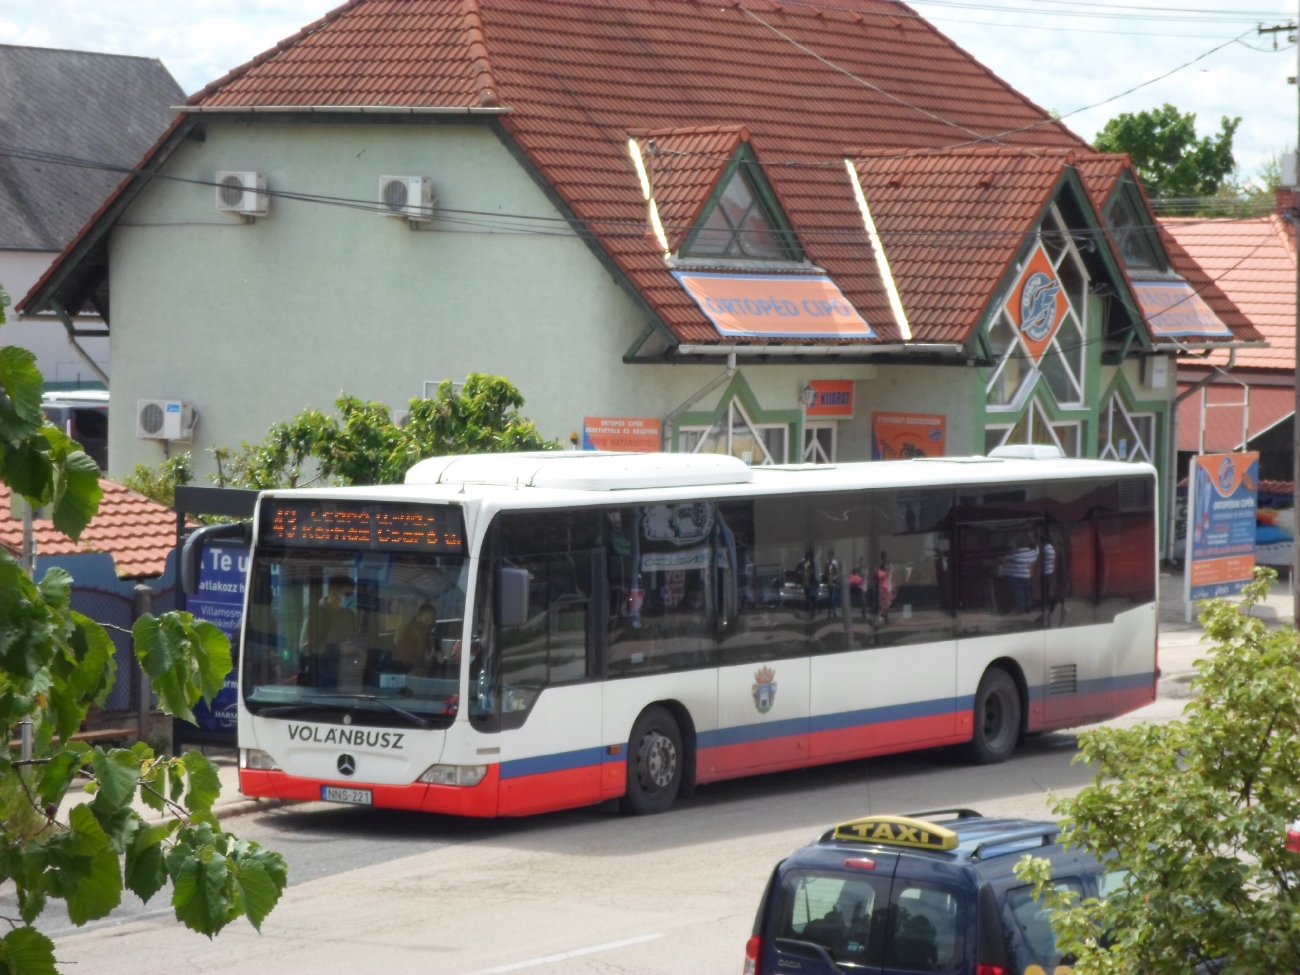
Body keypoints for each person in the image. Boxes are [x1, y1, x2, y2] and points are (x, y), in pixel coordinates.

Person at [300, 575, 356, 686]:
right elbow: (305, 648)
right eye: (347, 594)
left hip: (347, 677)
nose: (350, 598)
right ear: (333, 592)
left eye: (352, 594)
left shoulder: (349, 615)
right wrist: (336, 649)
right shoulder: (317, 614)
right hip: (322, 679)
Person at [999, 535, 1038, 614]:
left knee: (1018, 591)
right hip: (1026, 576)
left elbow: (1004, 560)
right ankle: (1028, 607)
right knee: (1026, 591)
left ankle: (1021, 608)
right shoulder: (1031, 553)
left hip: (1016, 576)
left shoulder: (1015, 555)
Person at [395, 602, 437, 670]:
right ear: (419, 616)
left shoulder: (427, 635)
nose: (430, 624)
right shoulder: (406, 631)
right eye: (427, 620)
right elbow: (405, 659)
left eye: (432, 621)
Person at [797, 549, 819, 619]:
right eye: (808, 556)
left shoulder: (813, 563)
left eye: (809, 556)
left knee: (810, 597)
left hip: (810, 583)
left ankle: (811, 610)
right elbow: (799, 570)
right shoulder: (803, 563)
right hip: (805, 583)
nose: (808, 558)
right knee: (808, 598)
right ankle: (811, 610)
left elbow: (814, 573)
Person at [876, 552, 896, 624]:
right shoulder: (882, 566)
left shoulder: (888, 565)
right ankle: (885, 617)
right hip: (884, 586)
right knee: (885, 602)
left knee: (887, 602)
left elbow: (891, 572)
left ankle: (884, 616)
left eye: (885, 557)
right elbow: (879, 575)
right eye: (884, 557)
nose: (885, 558)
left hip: (888, 585)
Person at [826, 549, 842, 618]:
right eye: (829, 556)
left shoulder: (835, 564)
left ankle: (834, 611)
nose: (830, 558)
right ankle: (830, 611)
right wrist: (827, 577)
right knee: (830, 598)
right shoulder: (827, 565)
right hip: (829, 583)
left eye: (831, 556)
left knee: (833, 597)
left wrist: (835, 578)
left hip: (833, 583)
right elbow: (825, 573)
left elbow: (837, 573)